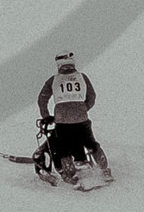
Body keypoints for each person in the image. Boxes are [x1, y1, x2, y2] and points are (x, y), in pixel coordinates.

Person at [35, 53, 112, 187]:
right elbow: (92, 96)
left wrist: (46, 116)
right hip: (81, 116)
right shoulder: (82, 77)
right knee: (90, 143)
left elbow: (42, 99)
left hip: (62, 119)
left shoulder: (53, 80)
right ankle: (104, 170)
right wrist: (82, 108)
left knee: (63, 147)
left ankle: (70, 173)